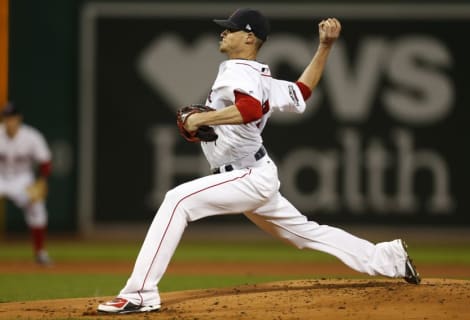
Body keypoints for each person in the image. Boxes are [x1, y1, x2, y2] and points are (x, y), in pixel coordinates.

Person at [98, 8, 421, 314]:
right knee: (304, 233)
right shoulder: (260, 75)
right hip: (255, 173)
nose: (223, 33)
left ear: (250, 37)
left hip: (246, 175)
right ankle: (388, 258)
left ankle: (139, 294)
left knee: (177, 200)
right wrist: (324, 47)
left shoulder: (238, 70)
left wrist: (202, 119)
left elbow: (250, 110)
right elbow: (302, 90)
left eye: (231, 29)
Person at [0, 102, 53, 266]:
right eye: (6, 118)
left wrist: (42, 181)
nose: (9, 121)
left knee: (37, 209)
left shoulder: (31, 136)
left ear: (18, 118)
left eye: (12, 117)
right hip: (1, 177)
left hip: (23, 180)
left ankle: (40, 253)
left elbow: (45, 161)